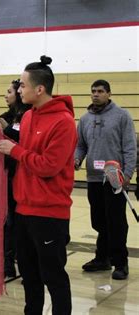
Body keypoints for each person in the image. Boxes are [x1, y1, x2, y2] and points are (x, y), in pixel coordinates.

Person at [0, 56, 76, 315]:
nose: (19, 89)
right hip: (23, 210)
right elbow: (22, 149)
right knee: (29, 276)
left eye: (22, 85)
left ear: (39, 89)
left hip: (49, 213)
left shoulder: (63, 122)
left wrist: (15, 150)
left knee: (53, 277)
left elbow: (48, 166)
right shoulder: (28, 116)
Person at [75, 79, 136, 280]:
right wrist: (77, 158)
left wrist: (127, 175)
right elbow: (81, 145)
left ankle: (121, 263)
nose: (96, 94)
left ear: (109, 94)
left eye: (100, 91)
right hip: (93, 178)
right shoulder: (84, 119)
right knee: (99, 222)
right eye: (93, 91)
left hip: (114, 179)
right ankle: (102, 259)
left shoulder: (122, 116)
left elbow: (129, 147)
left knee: (116, 222)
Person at [0, 79, 32, 279]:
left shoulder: (29, 115)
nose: (7, 94)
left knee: (19, 223)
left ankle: (22, 261)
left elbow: (21, 141)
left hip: (24, 176)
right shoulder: (8, 116)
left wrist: (6, 129)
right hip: (8, 177)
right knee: (7, 222)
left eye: (11, 90)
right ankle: (7, 263)